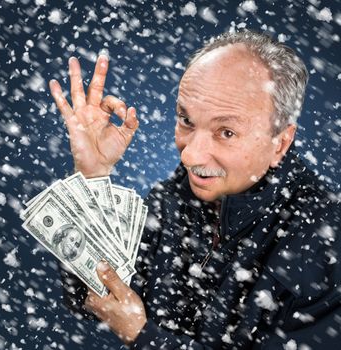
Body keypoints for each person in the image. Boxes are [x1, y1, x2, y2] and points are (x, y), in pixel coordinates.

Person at [48, 30, 341, 349]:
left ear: (280, 143)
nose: (189, 156)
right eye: (186, 120)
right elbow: (97, 295)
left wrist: (143, 336)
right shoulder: (175, 198)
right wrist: (91, 178)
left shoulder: (327, 246)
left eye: (226, 132)